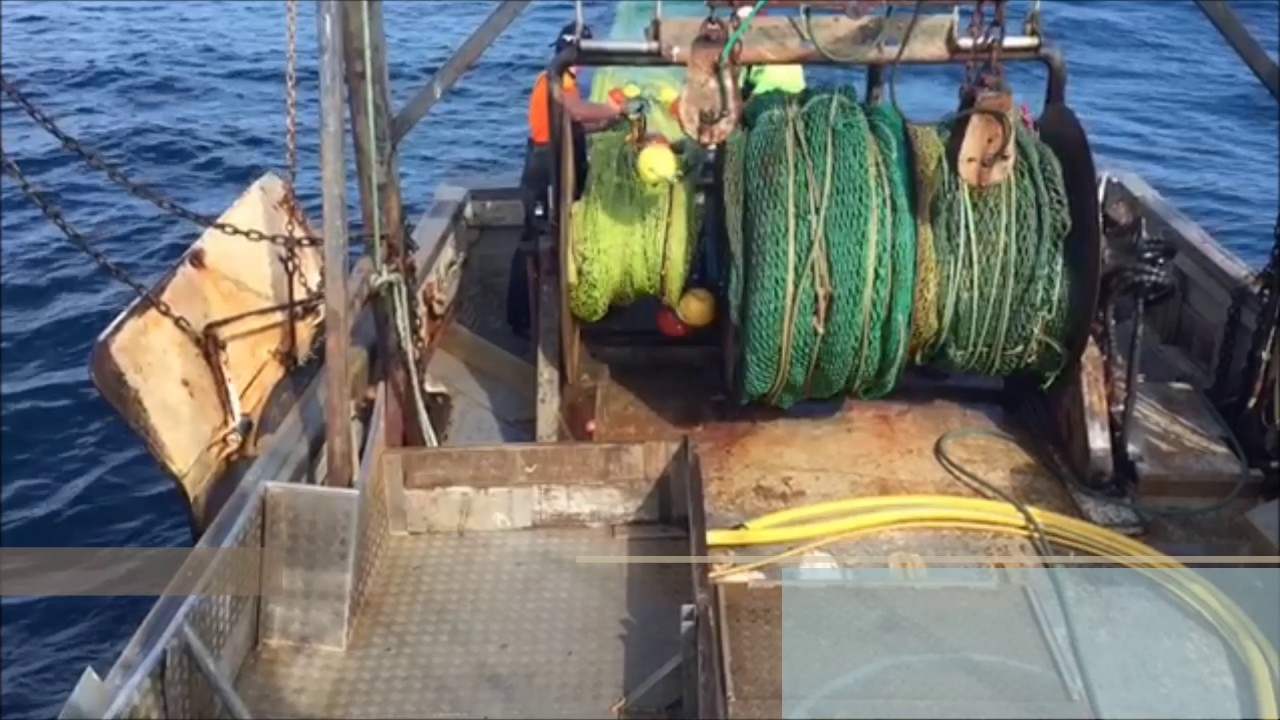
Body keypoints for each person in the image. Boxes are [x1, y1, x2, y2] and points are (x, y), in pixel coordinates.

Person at [507, 22, 625, 339]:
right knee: (536, 240)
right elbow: (574, 111)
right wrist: (610, 110)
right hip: (543, 168)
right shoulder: (552, 81)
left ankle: (560, 307)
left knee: (560, 236)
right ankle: (522, 318)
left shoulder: (566, 84)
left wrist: (607, 124)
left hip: (557, 164)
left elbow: (574, 125)